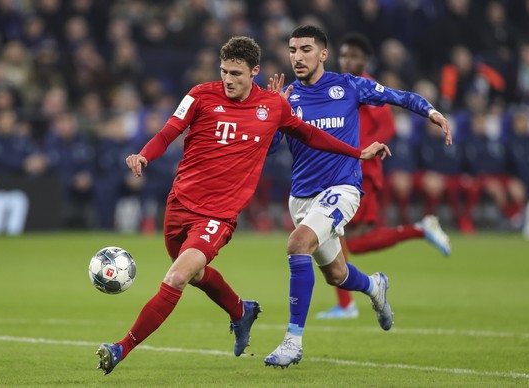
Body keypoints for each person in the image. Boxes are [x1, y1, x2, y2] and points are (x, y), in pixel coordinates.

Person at [95, 36, 390, 376]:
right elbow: (168, 132)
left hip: (218, 215)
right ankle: (240, 311)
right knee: (194, 274)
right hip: (180, 204)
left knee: (177, 276)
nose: (229, 80)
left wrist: (357, 152)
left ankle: (121, 348)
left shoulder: (273, 107)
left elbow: (310, 135)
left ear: (254, 72)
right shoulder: (199, 95)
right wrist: (144, 155)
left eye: (236, 73)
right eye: (224, 72)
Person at [264, 25, 452, 368]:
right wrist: (274, 113)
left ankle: (292, 341)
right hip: (302, 197)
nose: (297, 57)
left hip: (342, 189)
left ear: (323, 54)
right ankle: (373, 286)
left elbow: (400, 96)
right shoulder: (287, 97)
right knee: (336, 274)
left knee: (297, 244)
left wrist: (432, 112)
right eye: (292, 50)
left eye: (306, 49)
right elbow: (269, 151)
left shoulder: (348, 86)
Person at [313, 33, 451, 320]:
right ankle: (419, 231)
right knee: (345, 240)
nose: (348, 60)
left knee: (339, 239)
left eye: (354, 56)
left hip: (360, 172)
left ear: (365, 60)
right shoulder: (338, 87)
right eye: (344, 55)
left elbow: (385, 129)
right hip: (340, 170)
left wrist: (355, 151)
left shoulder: (367, 89)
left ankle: (347, 302)